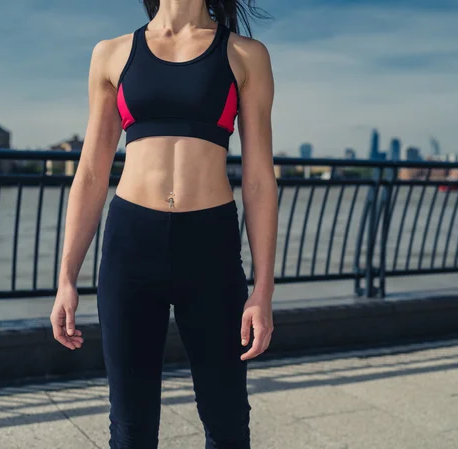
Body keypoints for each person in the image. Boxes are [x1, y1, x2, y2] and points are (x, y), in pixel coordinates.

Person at [50, 0, 277, 447]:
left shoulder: (245, 54)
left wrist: (264, 289)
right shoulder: (112, 53)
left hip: (210, 245)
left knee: (228, 420)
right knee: (130, 427)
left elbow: (258, 179)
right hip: (131, 246)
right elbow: (93, 173)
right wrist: (66, 278)